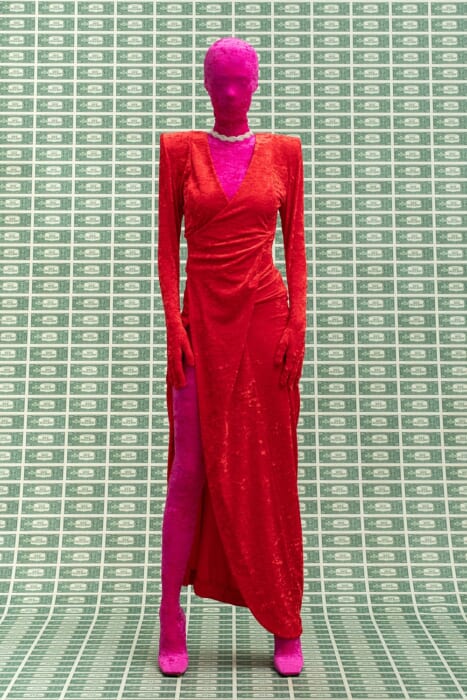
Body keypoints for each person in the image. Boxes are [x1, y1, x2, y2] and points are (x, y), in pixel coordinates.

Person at [157, 36, 307, 677]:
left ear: (255, 84)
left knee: (272, 467)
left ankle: (284, 617)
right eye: (218, 80)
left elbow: (295, 244)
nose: (228, 92)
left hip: (265, 320)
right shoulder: (178, 151)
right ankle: (170, 613)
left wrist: (299, 321)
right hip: (200, 323)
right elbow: (166, 248)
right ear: (205, 83)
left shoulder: (284, 152)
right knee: (188, 470)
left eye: (239, 80)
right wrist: (173, 324)